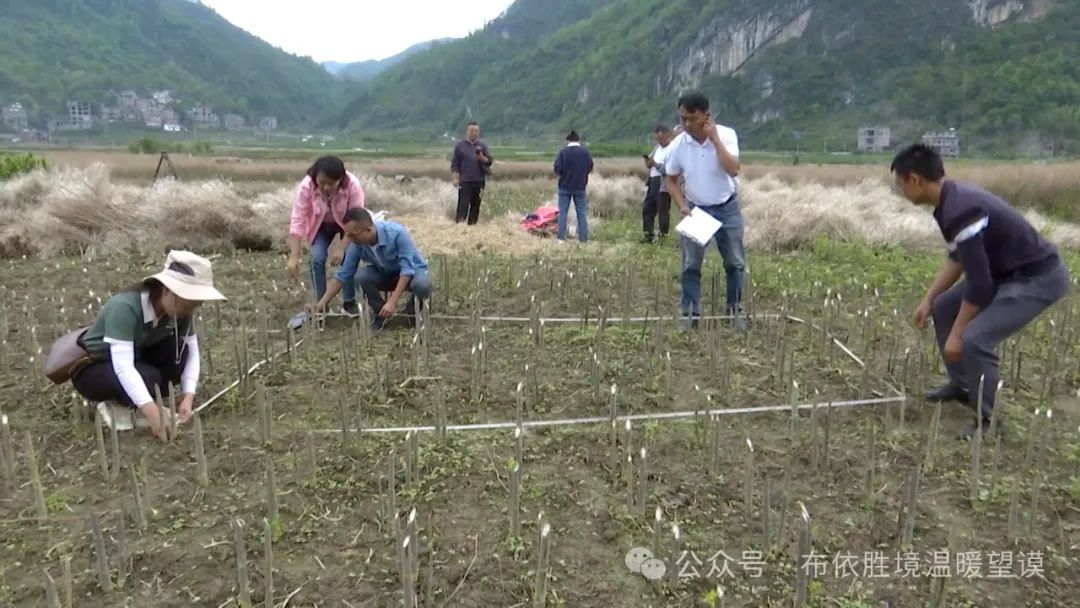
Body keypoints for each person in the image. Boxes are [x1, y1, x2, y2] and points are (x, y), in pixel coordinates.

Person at [893, 143, 1072, 439]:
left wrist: (957, 334)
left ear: (915, 179)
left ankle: (988, 421)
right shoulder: (949, 203)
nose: (901, 191)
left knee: (975, 340)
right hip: (1004, 273)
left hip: (1037, 277)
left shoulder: (961, 209)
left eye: (901, 184)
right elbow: (958, 258)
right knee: (943, 307)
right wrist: (928, 299)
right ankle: (963, 386)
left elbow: (979, 285)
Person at [70, 251, 226, 439]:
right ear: (166, 290)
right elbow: (123, 366)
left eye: (196, 304)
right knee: (148, 378)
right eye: (187, 302)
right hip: (94, 369)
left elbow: (192, 350)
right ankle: (117, 406)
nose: (190, 309)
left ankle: (138, 401)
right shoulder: (125, 307)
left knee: (179, 354)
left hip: (138, 356)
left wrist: (188, 395)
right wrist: (153, 412)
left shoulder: (181, 312)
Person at [664, 92, 747, 332]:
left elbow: (733, 170)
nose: (687, 125)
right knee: (690, 264)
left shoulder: (727, 135)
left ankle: (734, 309)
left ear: (706, 116)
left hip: (726, 207)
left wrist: (715, 140)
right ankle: (690, 313)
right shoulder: (678, 145)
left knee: (735, 262)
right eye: (682, 119)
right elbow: (671, 180)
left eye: (692, 118)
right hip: (697, 210)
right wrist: (682, 205)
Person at [311, 208, 433, 331]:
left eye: (353, 235)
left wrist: (392, 302)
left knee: (422, 285)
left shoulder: (397, 233)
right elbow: (343, 275)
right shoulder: (357, 244)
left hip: (412, 273)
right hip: (386, 274)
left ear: (368, 230)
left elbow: (407, 270)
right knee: (361, 277)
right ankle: (381, 313)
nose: (350, 240)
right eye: (348, 235)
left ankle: (411, 312)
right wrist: (322, 303)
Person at [287, 156, 366, 316]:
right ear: (316, 177)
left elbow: (357, 219)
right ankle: (321, 304)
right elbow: (298, 219)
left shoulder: (353, 185)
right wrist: (294, 256)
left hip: (347, 224)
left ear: (340, 180)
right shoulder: (307, 186)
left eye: (332, 184)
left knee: (348, 258)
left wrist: (341, 248)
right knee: (316, 258)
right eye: (322, 182)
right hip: (320, 225)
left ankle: (349, 302)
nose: (326, 187)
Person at [552, 130, 594, 243]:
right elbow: (590, 166)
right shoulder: (585, 153)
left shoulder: (563, 152)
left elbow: (557, 169)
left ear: (568, 140)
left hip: (564, 186)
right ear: (578, 140)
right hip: (580, 187)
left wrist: (564, 175)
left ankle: (561, 238)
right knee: (581, 212)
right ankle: (583, 238)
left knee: (563, 212)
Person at [451, 122, 494, 225]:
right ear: (467, 132)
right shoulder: (460, 146)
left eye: (476, 131)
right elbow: (455, 164)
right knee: (463, 205)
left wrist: (482, 158)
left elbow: (489, 161)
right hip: (465, 181)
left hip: (479, 181)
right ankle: (459, 226)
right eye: (471, 130)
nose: (474, 133)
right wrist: (455, 178)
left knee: (476, 206)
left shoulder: (482, 146)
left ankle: (472, 227)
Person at [642, 125, 678, 243]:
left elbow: (669, 170)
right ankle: (648, 235)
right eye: (658, 138)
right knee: (647, 209)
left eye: (661, 138)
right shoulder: (657, 148)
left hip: (663, 183)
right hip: (652, 181)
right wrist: (649, 162)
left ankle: (663, 237)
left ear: (668, 135)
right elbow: (651, 164)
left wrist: (655, 164)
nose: (659, 141)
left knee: (663, 211)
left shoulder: (672, 149)